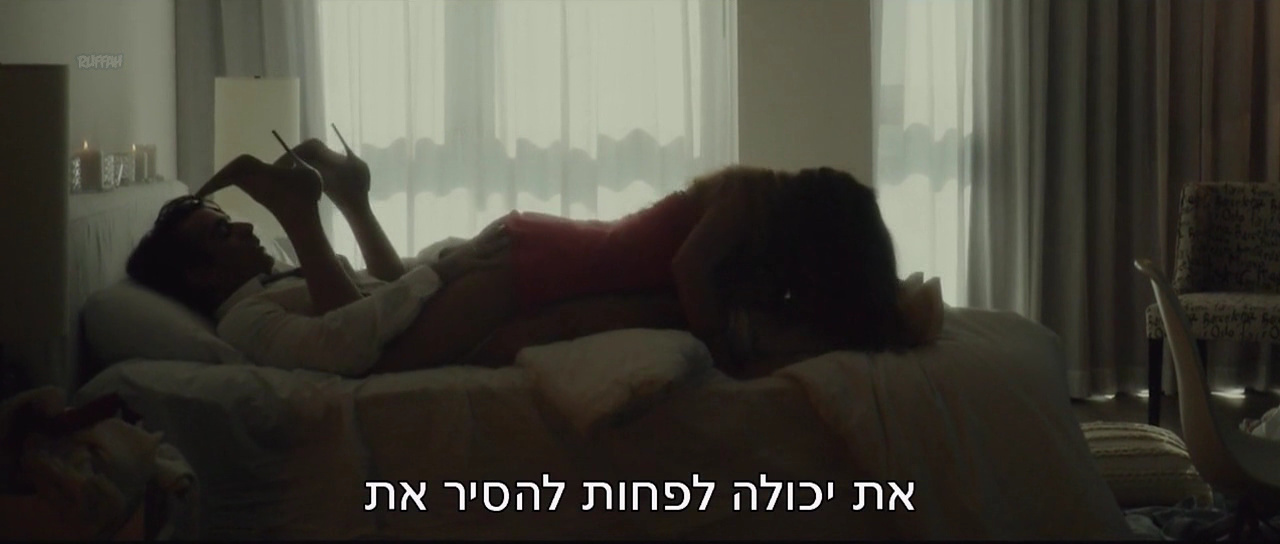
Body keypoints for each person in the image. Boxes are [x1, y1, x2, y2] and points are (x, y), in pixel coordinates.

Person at [128, 138, 915, 379]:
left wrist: (354, 207)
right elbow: (351, 349)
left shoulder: (279, 282)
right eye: (217, 235)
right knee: (397, 367)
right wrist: (307, 218)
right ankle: (868, 323)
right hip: (543, 261)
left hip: (540, 257)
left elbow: (382, 299)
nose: (240, 230)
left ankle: (865, 320)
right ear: (197, 277)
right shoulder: (250, 317)